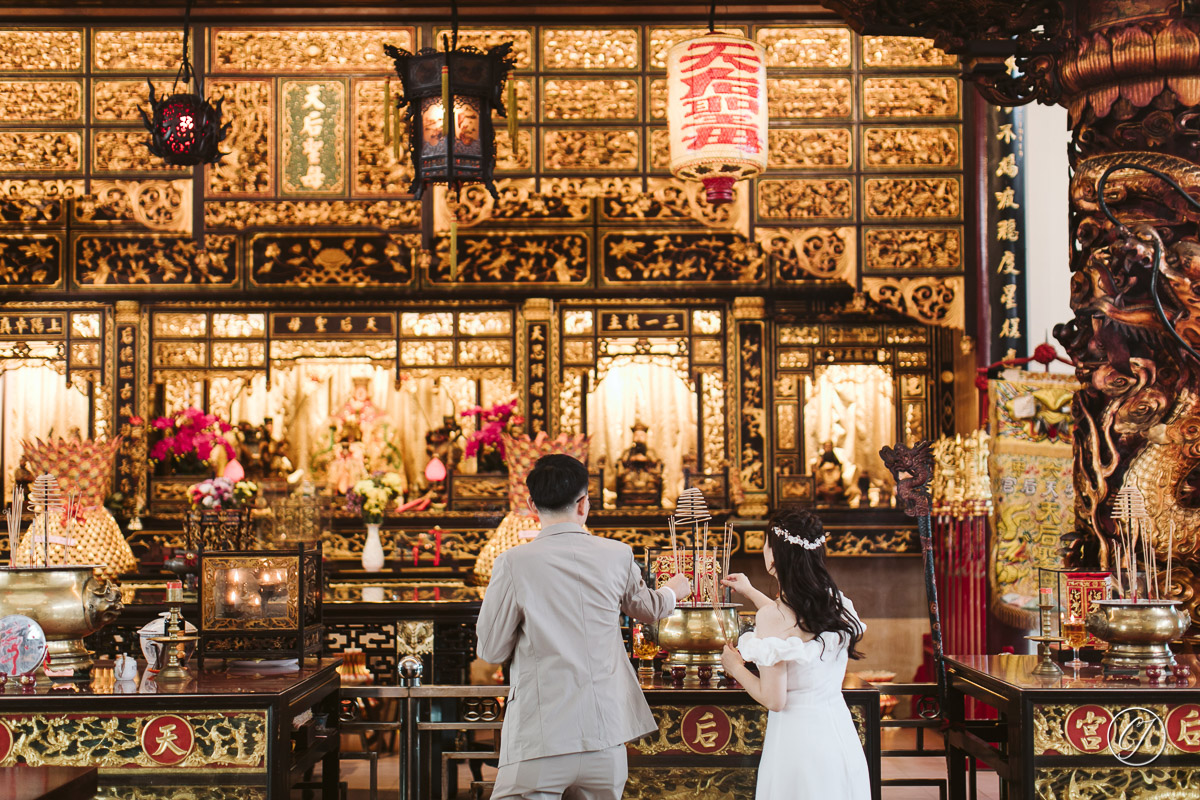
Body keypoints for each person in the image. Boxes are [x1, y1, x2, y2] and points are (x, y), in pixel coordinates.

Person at [476, 453, 692, 800]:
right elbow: (646, 609)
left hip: (539, 735)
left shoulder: (513, 563)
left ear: (532, 504)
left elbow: (491, 650)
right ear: (584, 503)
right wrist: (673, 591)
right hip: (604, 733)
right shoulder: (618, 555)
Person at [719, 508, 870, 800]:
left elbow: (775, 700)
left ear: (773, 556)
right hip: (838, 734)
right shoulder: (837, 604)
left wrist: (735, 667)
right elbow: (792, 625)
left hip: (797, 743)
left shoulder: (772, 618)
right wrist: (750, 591)